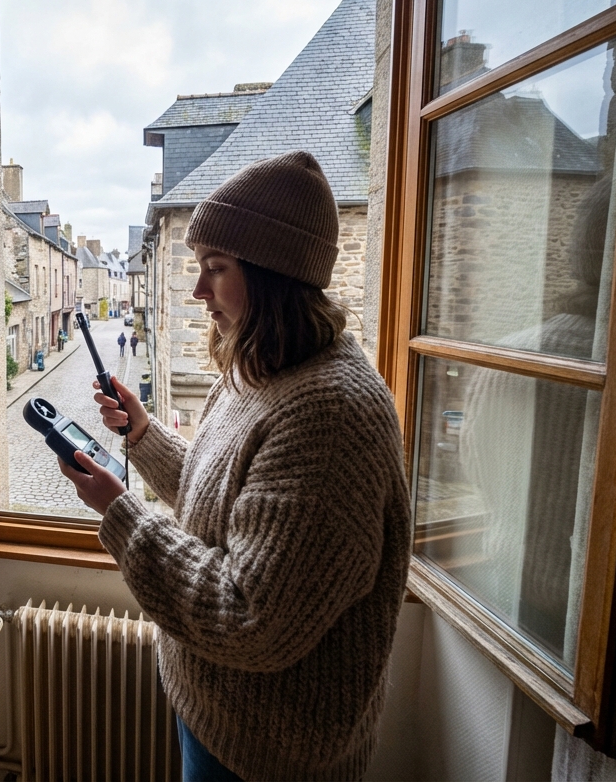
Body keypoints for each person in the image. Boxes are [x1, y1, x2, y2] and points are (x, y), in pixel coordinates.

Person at [57, 151, 410, 781]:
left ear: (273, 274)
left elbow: (251, 615)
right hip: (218, 716)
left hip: (268, 758)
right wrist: (141, 434)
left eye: (215, 269)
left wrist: (122, 513)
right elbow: (228, 496)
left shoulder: (329, 415)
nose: (197, 292)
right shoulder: (261, 369)